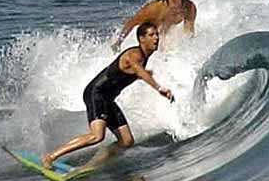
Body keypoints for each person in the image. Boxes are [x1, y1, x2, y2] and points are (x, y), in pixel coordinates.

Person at [42, 22, 174, 169]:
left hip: (107, 99)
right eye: (151, 35)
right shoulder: (134, 55)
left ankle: (90, 166)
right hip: (96, 93)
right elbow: (137, 70)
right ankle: (50, 156)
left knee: (126, 141)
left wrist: (142, 75)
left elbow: (132, 73)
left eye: (157, 34)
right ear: (141, 39)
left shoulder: (143, 58)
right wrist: (158, 87)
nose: (156, 38)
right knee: (97, 136)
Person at [111, 0, 196, 52]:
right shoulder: (155, 8)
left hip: (162, 33)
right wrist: (119, 42)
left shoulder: (189, 8)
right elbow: (132, 22)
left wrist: (188, 49)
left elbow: (189, 32)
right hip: (147, 33)